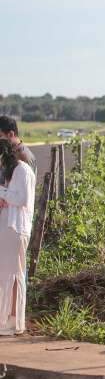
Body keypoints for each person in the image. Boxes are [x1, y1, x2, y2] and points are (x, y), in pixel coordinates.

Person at [0, 139, 36, 335]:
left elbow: (22, 199)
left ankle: (10, 323)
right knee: (9, 275)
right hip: (9, 227)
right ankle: (10, 321)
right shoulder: (13, 171)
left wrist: (2, 192)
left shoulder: (21, 170)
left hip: (15, 229)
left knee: (11, 275)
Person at [0, 116, 37, 184]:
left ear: (11, 134)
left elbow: (23, 190)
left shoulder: (23, 157)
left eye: (0, 136)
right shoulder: (9, 153)